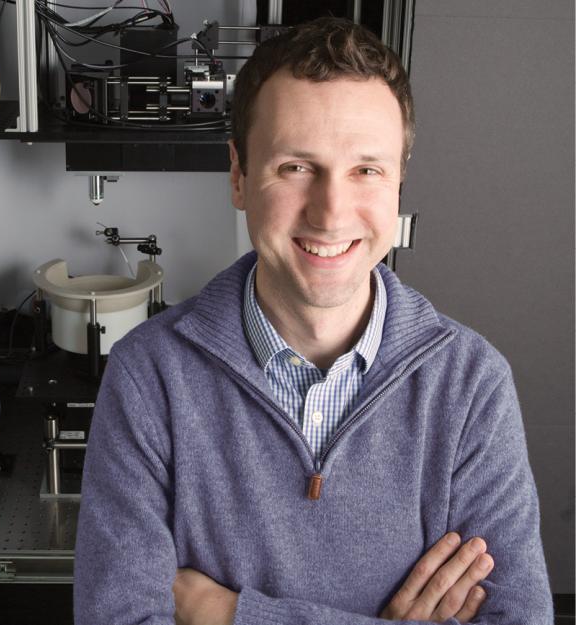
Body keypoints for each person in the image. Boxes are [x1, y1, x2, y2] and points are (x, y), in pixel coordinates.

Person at [73, 17, 552, 625]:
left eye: (367, 170)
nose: (331, 213)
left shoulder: (471, 384)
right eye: (296, 167)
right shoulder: (149, 376)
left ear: (398, 183)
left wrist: (227, 614)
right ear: (239, 176)